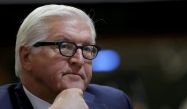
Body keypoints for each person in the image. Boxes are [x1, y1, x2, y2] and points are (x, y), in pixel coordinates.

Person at [0, 4, 133, 109]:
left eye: (87, 49)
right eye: (65, 46)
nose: (79, 60)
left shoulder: (115, 102)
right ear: (26, 57)